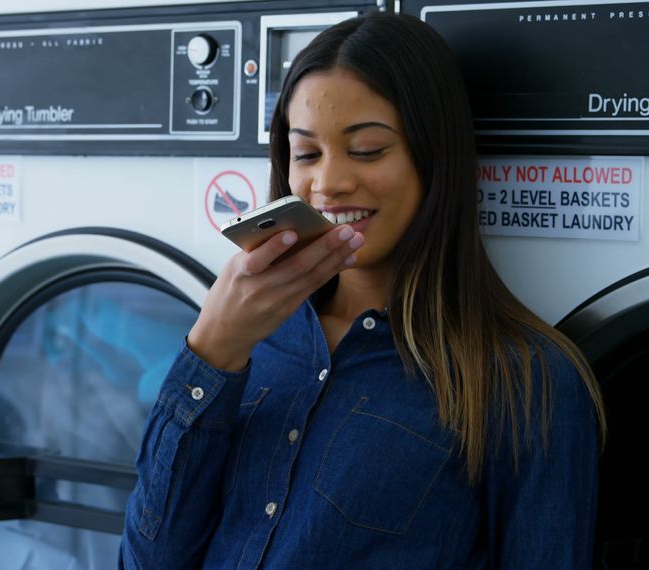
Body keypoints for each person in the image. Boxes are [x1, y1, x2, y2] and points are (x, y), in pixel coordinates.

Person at [119, 11, 606, 569]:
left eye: (368, 150)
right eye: (306, 154)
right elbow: (147, 562)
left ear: (434, 157)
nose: (328, 183)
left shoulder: (525, 381)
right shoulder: (243, 344)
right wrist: (211, 349)